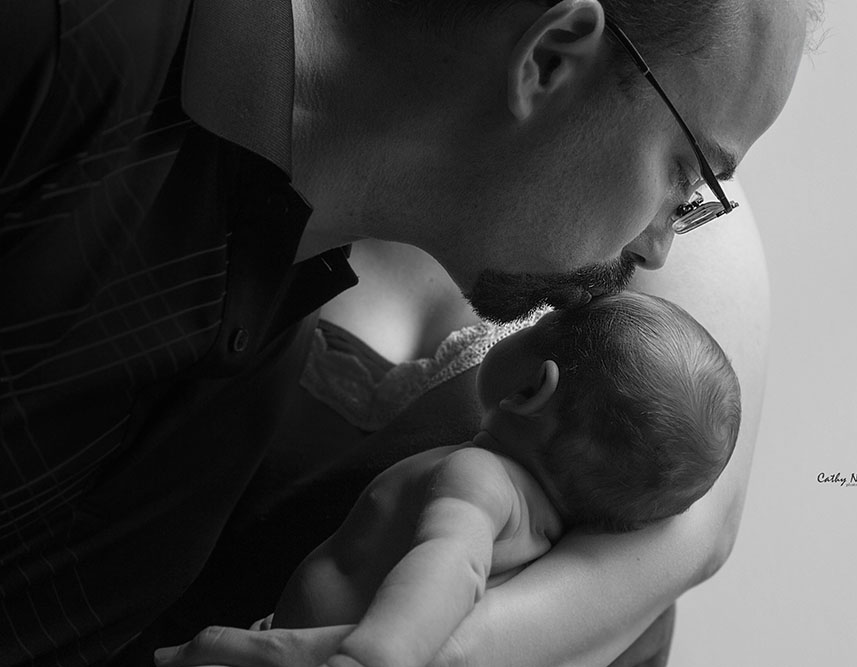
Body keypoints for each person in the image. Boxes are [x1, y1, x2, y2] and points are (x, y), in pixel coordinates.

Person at [1, 0, 812, 664]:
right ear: (548, 58)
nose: (664, 246)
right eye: (685, 172)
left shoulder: (260, 320)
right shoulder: (71, 55)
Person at [266, 291, 741, 667]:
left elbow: (451, 566)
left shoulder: (479, 479)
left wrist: (376, 654)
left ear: (532, 389)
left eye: (533, 327)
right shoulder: (541, 532)